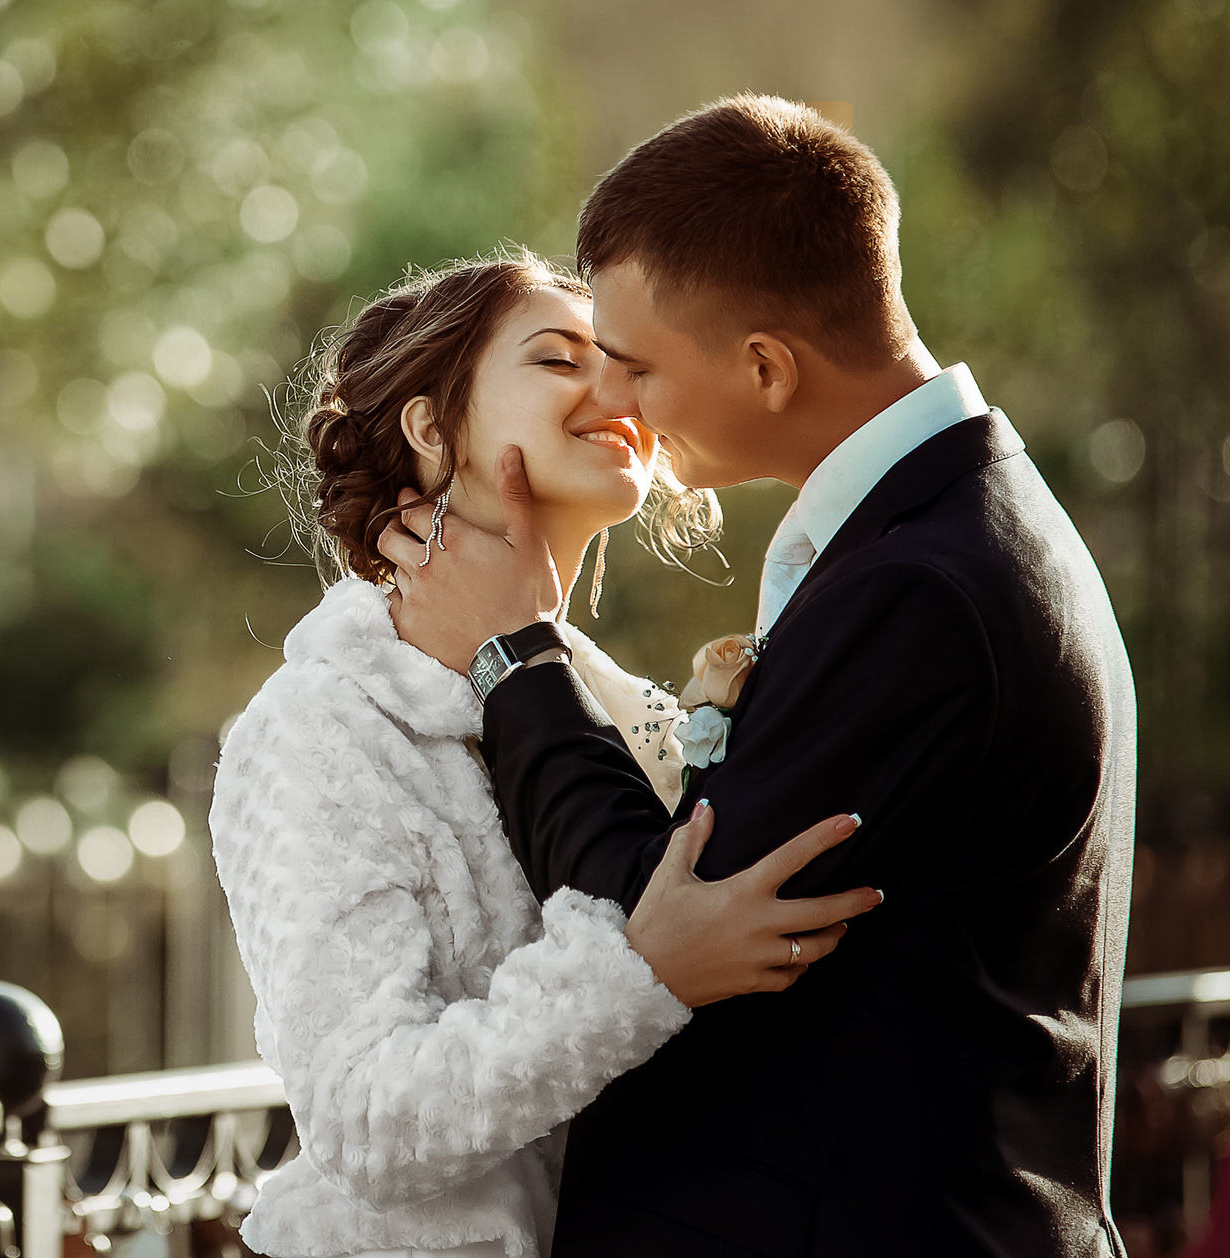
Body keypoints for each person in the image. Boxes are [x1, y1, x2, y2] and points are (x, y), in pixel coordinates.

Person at [383, 96, 1136, 1255]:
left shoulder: (925, 588)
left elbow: (661, 906)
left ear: (765, 365)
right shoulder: (947, 527)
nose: (616, 405)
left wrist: (515, 653)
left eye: (632, 365)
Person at [210, 249, 882, 1258]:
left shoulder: (619, 715)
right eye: (560, 359)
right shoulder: (318, 725)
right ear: (432, 431)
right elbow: (364, 1121)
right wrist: (636, 971)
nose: (613, 388)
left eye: (618, 362)